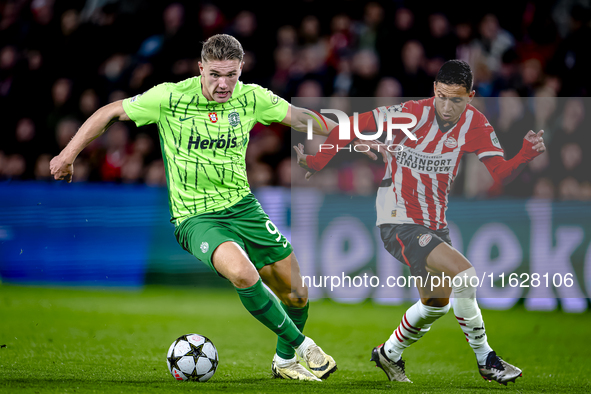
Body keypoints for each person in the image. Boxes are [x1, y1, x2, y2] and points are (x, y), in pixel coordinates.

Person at [50, 34, 338, 382]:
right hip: (195, 217)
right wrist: (68, 154)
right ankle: (305, 347)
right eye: (215, 74)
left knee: (297, 293)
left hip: (244, 208)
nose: (223, 84)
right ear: (200, 68)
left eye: (231, 74)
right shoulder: (169, 97)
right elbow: (109, 112)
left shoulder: (252, 98)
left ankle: (283, 361)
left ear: (240, 69)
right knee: (244, 274)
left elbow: (300, 117)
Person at [294, 59, 545, 385]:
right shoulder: (407, 115)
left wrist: (524, 155)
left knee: (436, 304)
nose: (447, 106)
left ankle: (389, 353)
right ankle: (487, 360)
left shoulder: (476, 125)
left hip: (434, 224)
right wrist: (316, 160)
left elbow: (500, 173)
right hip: (397, 220)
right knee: (464, 275)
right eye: (441, 96)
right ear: (434, 91)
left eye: (456, 99)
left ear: (470, 96)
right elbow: (346, 127)